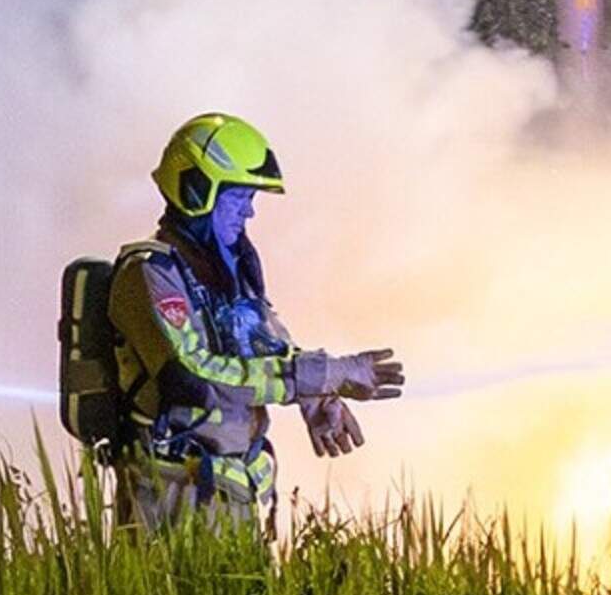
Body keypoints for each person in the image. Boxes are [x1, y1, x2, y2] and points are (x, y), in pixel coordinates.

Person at [104, 113, 403, 530]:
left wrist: (316, 398)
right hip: (172, 496)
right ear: (197, 190)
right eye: (239, 197)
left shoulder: (228, 272)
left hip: (230, 489)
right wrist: (325, 374)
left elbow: (263, 344)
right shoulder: (149, 273)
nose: (249, 212)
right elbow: (193, 378)